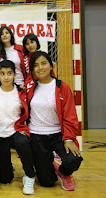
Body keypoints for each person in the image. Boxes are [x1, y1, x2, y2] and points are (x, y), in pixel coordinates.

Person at [27, 51, 83, 191]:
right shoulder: (29, 88)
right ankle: (48, 164)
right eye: (36, 65)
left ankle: (64, 173)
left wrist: (69, 138)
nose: (40, 68)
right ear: (32, 70)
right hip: (37, 135)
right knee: (47, 182)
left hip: (58, 134)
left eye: (44, 63)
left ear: (51, 66)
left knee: (74, 159)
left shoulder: (62, 87)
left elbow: (70, 116)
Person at [0, 60, 35, 195]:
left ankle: (29, 175)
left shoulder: (21, 92)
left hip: (16, 130)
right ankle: (7, 166)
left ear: (15, 74)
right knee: (5, 179)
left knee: (23, 141)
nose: (6, 77)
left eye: (9, 73)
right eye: (2, 74)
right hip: (0, 135)